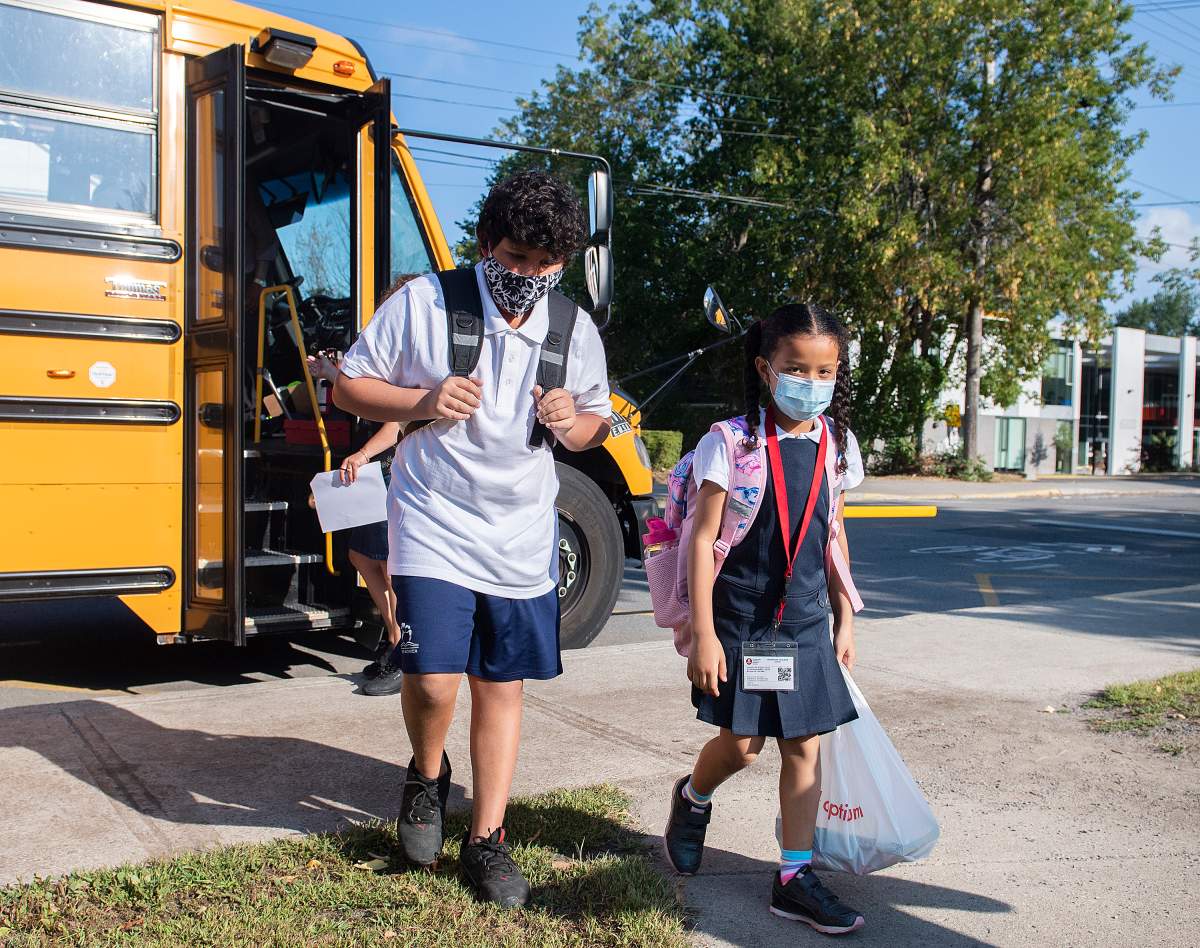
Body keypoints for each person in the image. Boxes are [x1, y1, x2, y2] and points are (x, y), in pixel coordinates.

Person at [333, 171, 611, 907]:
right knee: (430, 678)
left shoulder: (571, 328)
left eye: (546, 265)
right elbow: (349, 385)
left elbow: (595, 423)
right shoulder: (425, 301)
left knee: (501, 686)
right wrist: (422, 400)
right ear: (488, 244)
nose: (529, 277)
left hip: (522, 532)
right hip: (432, 520)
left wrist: (569, 421)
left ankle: (488, 839)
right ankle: (427, 776)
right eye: (517, 259)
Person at [662, 303, 867, 935]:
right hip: (743, 615)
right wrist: (702, 634)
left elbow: (831, 532)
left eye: (825, 371)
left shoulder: (838, 446)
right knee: (743, 747)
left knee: (804, 745)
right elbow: (702, 540)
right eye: (796, 369)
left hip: (803, 618)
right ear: (765, 367)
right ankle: (692, 800)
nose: (811, 382)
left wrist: (845, 614)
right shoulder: (730, 444)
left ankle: (793, 877)